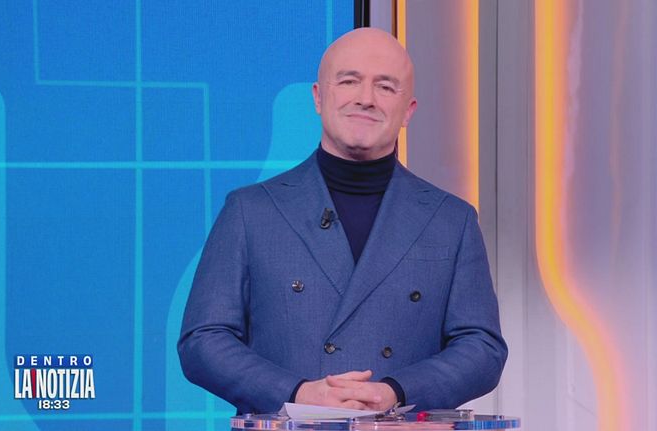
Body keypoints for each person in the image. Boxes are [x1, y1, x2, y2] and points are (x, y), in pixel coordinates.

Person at [178, 27, 507, 415]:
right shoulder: (250, 210)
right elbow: (203, 340)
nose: (366, 98)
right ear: (318, 97)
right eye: (349, 81)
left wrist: (396, 392)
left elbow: (482, 347)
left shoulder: (452, 220)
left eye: (385, 87)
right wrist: (297, 393)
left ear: (408, 110)